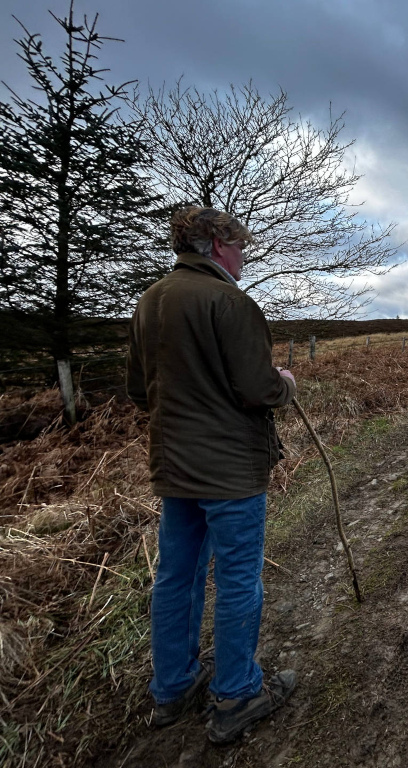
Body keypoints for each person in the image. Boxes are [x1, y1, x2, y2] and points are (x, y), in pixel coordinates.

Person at [127, 206, 297, 744]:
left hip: (173, 468)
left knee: (176, 576)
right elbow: (258, 389)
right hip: (229, 473)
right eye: (241, 246)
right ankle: (237, 694)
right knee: (239, 577)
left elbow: (138, 391)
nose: (244, 256)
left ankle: (172, 687)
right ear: (220, 245)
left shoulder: (150, 301)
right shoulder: (231, 302)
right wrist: (285, 383)